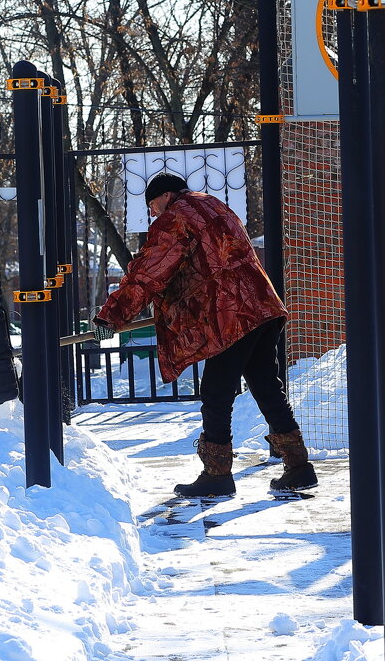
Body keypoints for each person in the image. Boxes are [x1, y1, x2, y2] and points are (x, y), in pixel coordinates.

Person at [93, 172, 318, 497]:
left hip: (232, 313)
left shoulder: (175, 218)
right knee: (266, 384)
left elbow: (149, 272)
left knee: (216, 390)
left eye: (152, 206)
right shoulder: (213, 205)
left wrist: (111, 315)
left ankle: (217, 474)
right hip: (261, 304)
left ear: (165, 196)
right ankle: (298, 466)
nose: (153, 214)